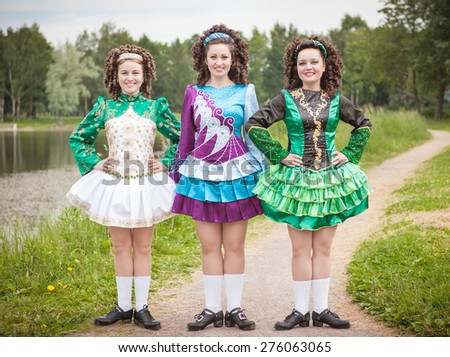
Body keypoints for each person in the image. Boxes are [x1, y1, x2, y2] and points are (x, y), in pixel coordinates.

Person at [245, 36, 372, 330]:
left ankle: (323, 309)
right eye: (302, 63)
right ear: (295, 67)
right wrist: (278, 155)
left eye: (314, 62)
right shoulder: (285, 99)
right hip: (297, 182)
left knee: (324, 248)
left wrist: (350, 154)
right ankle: (301, 311)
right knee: (301, 248)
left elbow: (364, 123)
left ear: (325, 65)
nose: (308, 67)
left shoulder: (337, 99)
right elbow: (253, 124)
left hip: (331, 181)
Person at [67, 44, 180, 330]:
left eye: (136, 73)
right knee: (120, 247)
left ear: (145, 76)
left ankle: (141, 308)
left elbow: (181, 138)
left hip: (146, 184)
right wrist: (95, 162)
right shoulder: (105, 107)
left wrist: (166, 161)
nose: (130, 78)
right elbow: (78, 138)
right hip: (114, 183)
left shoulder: (155, 107)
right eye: (124, 73)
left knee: (143, 246)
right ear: (115, 76)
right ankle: (122, 306)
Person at [171, 24, 267, 331]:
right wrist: (175, 174)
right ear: (204, 59)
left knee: (235, 246)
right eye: (213, 56)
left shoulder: (245, 91)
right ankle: (212, 309)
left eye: (224, 56)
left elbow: (253, 134)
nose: (219, 62)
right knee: (209, 246)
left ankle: (235, 309)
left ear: (233, 58)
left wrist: (264, 171)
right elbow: (186, 138)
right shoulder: (193, 93)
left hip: (238, 175)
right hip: (201, 176)